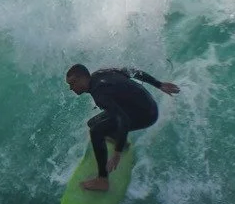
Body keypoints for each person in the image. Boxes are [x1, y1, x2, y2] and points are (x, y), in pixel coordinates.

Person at [66, 64, 178, 192]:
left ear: (83, 78)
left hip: (146, 114)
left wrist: (116, 154)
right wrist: (159, 84)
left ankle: (103, 180)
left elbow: (123, 120)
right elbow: (133, 71)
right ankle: (119, 140)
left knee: (96, 131)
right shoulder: (100, 73)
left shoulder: (100, 94)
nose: (71, 88)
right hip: (146, 103)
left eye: (73, 83)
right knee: (93, 123)